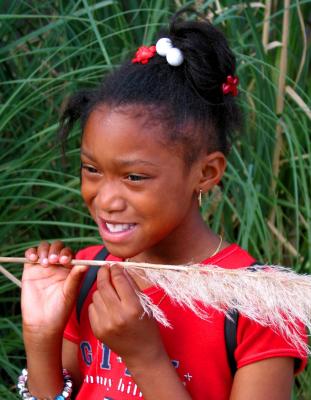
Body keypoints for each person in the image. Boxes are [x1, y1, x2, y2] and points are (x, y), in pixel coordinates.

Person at [20, 12, 307, 400]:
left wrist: (145, 358)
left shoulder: (260, 304)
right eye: (91, 169)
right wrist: (41, 336)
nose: (105, 199)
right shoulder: (87, 276)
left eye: (134, 177)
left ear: (206, 172)